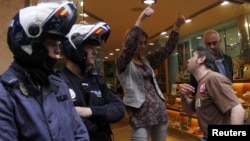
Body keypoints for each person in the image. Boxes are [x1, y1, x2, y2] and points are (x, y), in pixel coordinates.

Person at [0, 1, 90, 141]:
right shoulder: (5, 93)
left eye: (58, 44)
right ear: (31, 44)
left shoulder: (59, 85)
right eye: (52, 43)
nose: (58, 50)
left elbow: (79, 131)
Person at [116, 6, 186, 141]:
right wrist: (140, 19)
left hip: (158, 111)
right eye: (138, 42)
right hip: (139, 114)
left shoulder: (146, 60)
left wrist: (176, 27)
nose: (142, 46)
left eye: (144, 43)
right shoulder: (122, 62)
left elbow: (166, 50)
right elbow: (129, 46)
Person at [58, 22, 126, 141]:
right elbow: (65, 121)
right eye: (90, 47)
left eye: (95, 47)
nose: (95, 52)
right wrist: (102, 118)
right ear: (75, 49)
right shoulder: (58, 81)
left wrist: (89, 111)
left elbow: (119, 108)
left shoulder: (96, 80)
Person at [180, 47, 245, 141]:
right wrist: (184, 97)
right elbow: (190, 111)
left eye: (192, 56)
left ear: (201, 59)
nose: (188, 60)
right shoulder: (202, 83)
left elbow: (238, 110)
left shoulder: (213, 79)